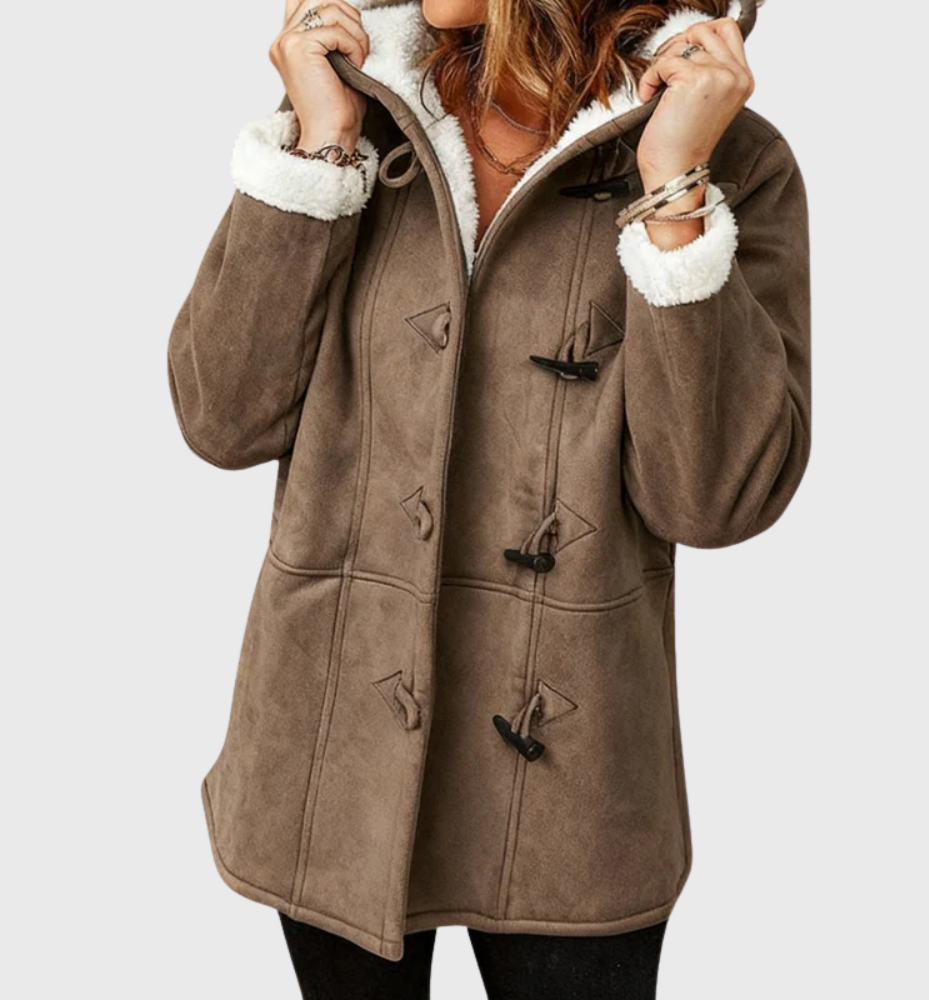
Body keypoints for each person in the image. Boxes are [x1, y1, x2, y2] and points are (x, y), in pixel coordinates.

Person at [166, 0, 809, 996]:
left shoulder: (731, 158)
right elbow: (222, 416)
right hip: (332, 757)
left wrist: (674, 189)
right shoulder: (360, 112)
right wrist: (320, 148)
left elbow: (715, 498)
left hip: (573, 786)